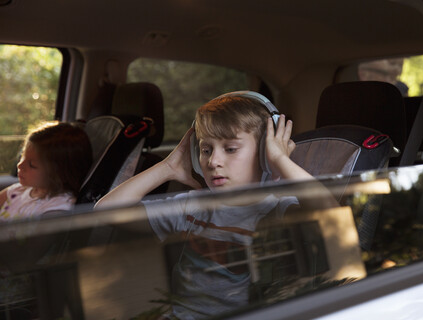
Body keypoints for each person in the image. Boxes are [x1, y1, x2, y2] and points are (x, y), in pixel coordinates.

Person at [95, 91, 336, 319]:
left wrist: (279, 159)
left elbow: (332, 215)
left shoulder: (277, 210)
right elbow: (106, 211)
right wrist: (167, 168)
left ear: (263, 153)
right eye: (205, 149)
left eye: (230, 149)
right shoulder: (193, 207)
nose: (213, 161)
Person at [0, 121, 93, 222]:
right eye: (22, 157)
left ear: (58, 173)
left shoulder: (57, 207)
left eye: (32, 165)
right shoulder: (17, 191)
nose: (20, 165)